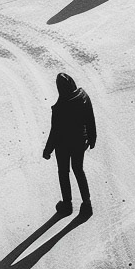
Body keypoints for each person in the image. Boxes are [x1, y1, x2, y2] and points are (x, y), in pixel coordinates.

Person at [43, 73, 96, 217]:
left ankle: (67, 204)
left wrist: (47, 150)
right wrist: (92, 138)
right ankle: (87, 204)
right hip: (80, 141)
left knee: (63, 172)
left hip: (63, 145)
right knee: (78, 169)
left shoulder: (60, 107)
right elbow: (90, 118)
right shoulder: (83, 96)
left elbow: (55, 131)